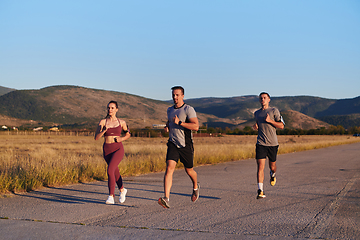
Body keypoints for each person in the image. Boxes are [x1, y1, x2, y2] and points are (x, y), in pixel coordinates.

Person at [158, 86, 200, 208]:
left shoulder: (188, 109)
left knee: (189, 170)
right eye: (173, 95)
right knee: (169, 168)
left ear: (183, 96)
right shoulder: (169, 110)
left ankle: (196, 187)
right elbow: (169, 122)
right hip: (173, 143)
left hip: (185, 145)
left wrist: (180, 123)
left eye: (177, 95)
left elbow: (196, 126)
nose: (175, 97)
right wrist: (167, 127)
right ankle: (166, 197)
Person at [95, 100, 131, 204]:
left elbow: (128, 134)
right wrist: (104, 131)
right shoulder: (103, 122)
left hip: (118, 149)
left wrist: (122, 139)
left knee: (110, 170)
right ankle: (122, 190)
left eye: (112, 108)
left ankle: (111, 196)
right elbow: (96, 138)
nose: (110, 110)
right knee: (115, 171)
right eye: (108, 108)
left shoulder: (122, 122)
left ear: (116, 109)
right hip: (107, 150)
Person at [253, 92, 285, 199]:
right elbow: (259, 124)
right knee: (260, 167)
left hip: (272, 144)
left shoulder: (274, 111)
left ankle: (273, 174)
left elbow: (281, 126)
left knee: (272, 166)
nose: (262, 100)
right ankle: (260, 190)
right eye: (261, 98)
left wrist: (270, 121)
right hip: (261, 143)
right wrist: (256, 126)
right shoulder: (257, 113)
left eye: (264, 98)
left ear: (269, 100)